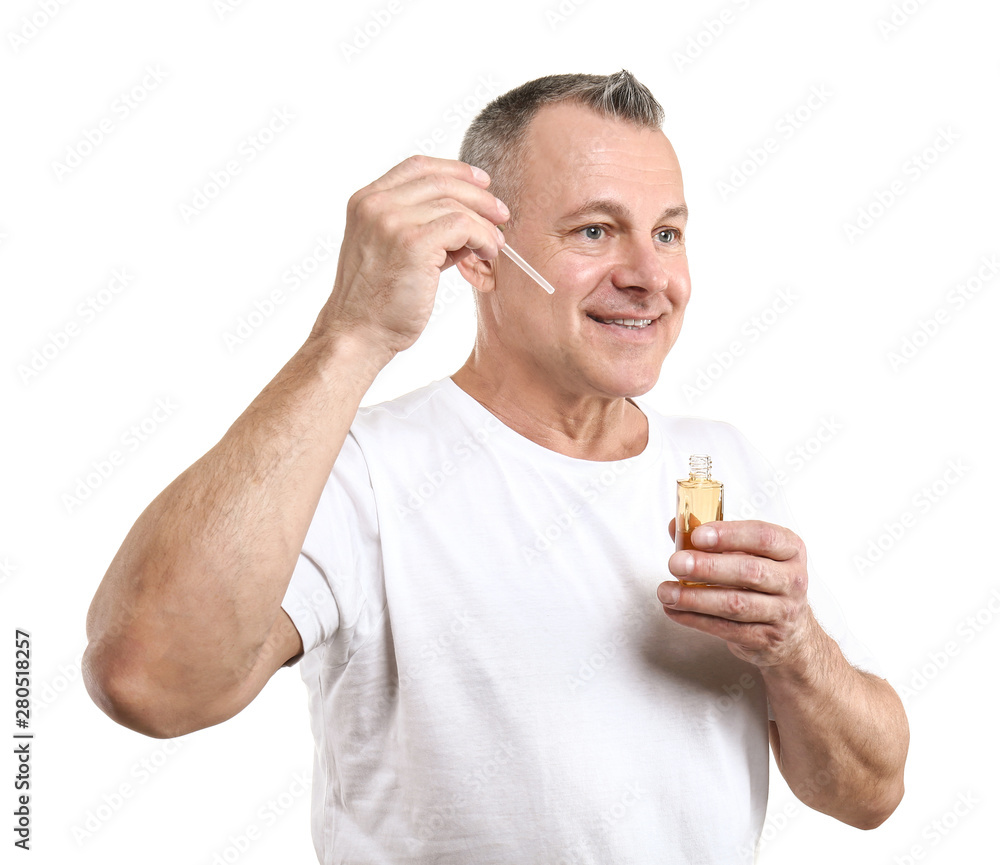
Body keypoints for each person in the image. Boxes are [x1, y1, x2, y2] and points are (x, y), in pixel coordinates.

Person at [83, 70, 909, 863]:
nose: (651, 277)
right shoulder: (361, 470)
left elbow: (870, 792)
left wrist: (795, 648)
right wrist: (353, 330)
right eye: (594, 230)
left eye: (667, 232)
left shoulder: (716, 461)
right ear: (479, 258)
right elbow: (147, 679)